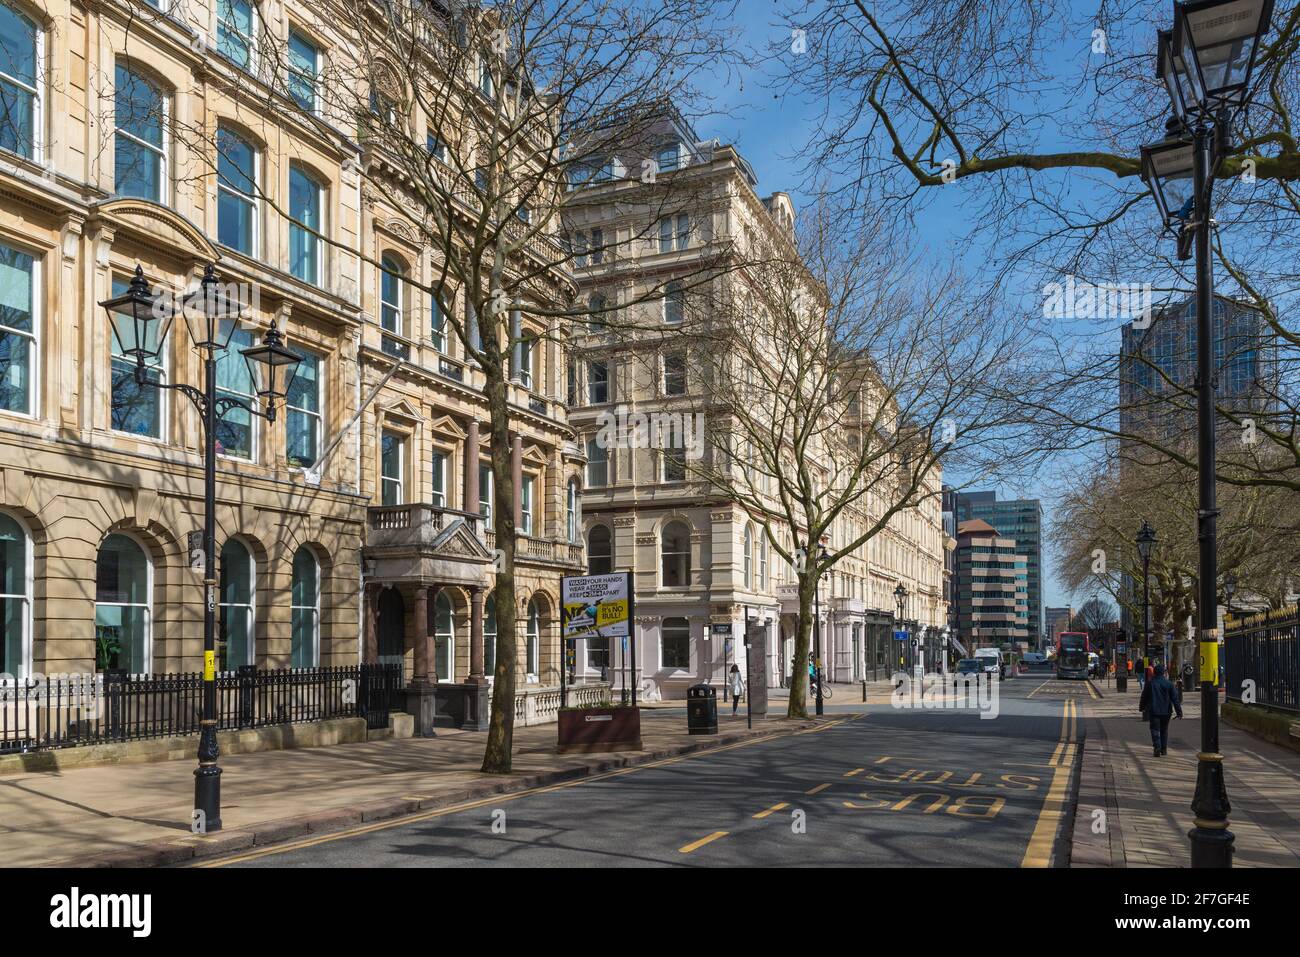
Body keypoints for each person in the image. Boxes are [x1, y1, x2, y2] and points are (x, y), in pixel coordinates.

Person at [1138, 661, 1183, 757]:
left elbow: (1144, 696)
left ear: (1154, 672)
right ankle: (1164, 749)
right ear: (1163, 673)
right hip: (1166, 712)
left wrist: (1141, 707)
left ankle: (1157, 747)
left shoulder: (1150, 684)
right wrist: (1179, 712)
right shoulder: (1169, 684)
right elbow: (1175, 699)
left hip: (1154, 710)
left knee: (1154, 729)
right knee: (1164, 730)